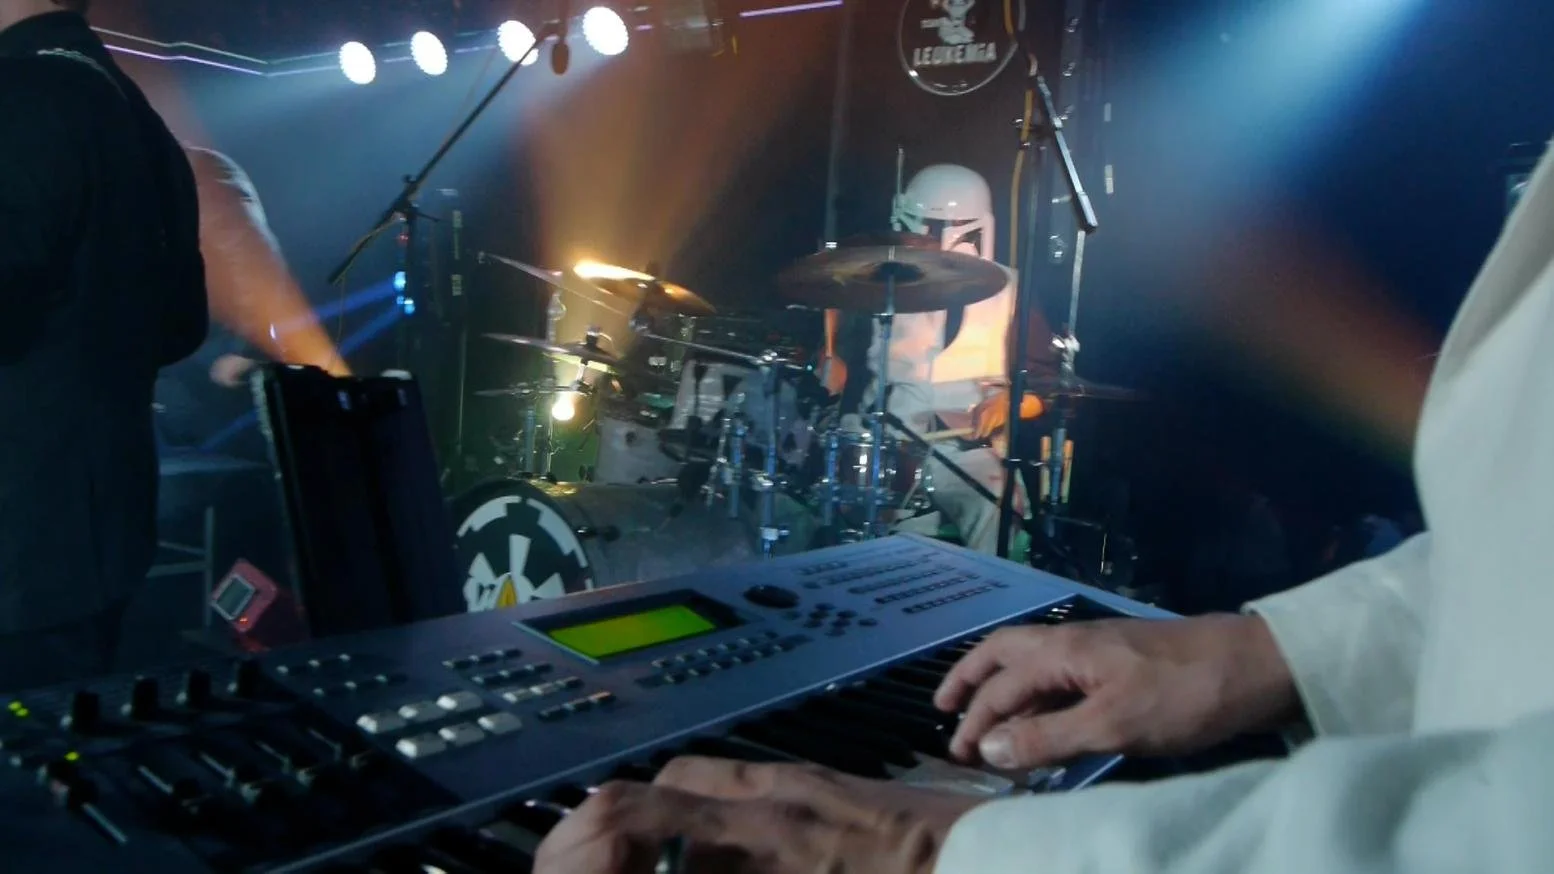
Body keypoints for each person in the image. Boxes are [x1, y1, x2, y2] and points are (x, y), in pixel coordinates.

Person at [532, 150, 1554, 873]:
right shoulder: (864, 288)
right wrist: (1285, 648)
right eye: (928, 227)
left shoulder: (1005, 295)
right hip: (891, 446)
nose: (940, 244)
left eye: (955, 230)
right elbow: (1519, 558)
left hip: (968, 459)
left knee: (996, 518)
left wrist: (937, 847)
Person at [0, 0, 208, 688]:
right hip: (102, 539)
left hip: (19, 548)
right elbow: (182, 326)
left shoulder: (19, 97)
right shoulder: (137, 114)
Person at [817, 164, 1056, 553]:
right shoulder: (880, 281)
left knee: (998, 509)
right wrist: (831, 359)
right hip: (885, 439)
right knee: (840, 515)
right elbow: (841, 352)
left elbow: (1047, 385)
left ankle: (996, 590)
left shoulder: (1012, 291)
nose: (929, 239)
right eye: (922, 230)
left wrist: (1009, 403)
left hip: (965, 449)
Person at [155, 145, 344, 457]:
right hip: (181, 355)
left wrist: (244, 347)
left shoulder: (198, 171)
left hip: (214, 354)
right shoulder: (145, 179)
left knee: (243, 459)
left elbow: (252, 259)